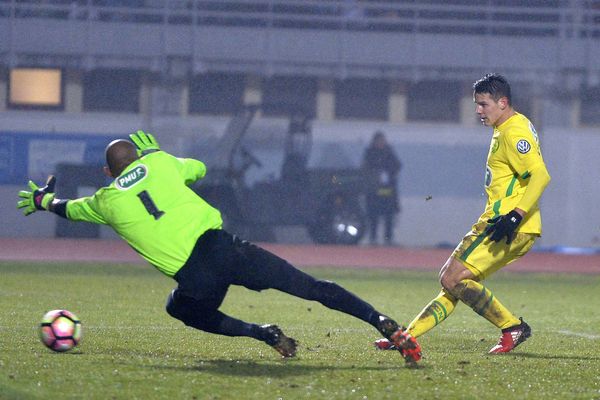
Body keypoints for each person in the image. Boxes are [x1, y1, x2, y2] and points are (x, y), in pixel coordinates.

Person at [17, 130, 421, 364]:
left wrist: (41, 201)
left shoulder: (104, 200)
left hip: (194, 276)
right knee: (309, 286)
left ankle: (261, 333)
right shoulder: (158, 163)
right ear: (139, 155)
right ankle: (381, 320)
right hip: (226, 248)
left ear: (107, 172)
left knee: (180, 307)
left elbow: (67, 208)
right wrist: (159, 156)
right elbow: (199, 169)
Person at [374, 73, 551, 354]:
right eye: (477, 105)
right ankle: (405, 337)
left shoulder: (514, 131)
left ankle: (512, 326)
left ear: (502, 102)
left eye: (483, 104)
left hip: (505, 225)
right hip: (508, 223)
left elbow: (540, 175)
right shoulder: (510, 125)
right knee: (454, 282)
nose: (478, 111)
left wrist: (515, 215)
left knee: (451, 278)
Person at [362, 131, 401, 245]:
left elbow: (397, 166)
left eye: (382, 141)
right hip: (374, 191)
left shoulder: (389, 153)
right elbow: (365, 169)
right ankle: (373, 238)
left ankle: (388, 238)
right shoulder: (370, 153)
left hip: (388, 191)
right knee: (373, 216)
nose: (381, 143)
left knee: (388, 216)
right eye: (379, 141)